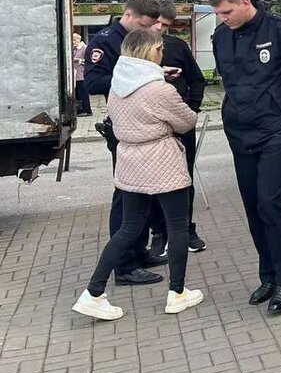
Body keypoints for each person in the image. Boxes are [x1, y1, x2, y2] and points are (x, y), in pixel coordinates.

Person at [72, 28, 203, 320]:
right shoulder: (161, 90)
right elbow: (186, 121)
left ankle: (93, 292)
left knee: (128, 228)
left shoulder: (118, 84)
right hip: (162, 159)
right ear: (150, 53)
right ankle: (177, 292)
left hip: (129, 160)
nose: (161, 52)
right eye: (158, 48)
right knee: (177, 226)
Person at [211, 0, 281, 314]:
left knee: (272, 203)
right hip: (240, 132)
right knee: (253, 205)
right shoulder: (221, 37)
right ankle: (268, 276)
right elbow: (229, 81)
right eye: (219, 14)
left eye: (227, 11)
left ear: (245, 2)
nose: (223, 18)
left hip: (277, 130)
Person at [84, 0, 167, 285]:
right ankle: (124, 266)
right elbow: (92, 82)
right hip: (122, 128)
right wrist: (137, 77)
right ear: (128, 15)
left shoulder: (140, 38)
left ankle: (138, 250)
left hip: (143, 125)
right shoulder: (104, 41)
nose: (147, 31)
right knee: (126, 197)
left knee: (144, 194)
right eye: (144, 24)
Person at [145, 1, 208, 258]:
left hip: (180, 123)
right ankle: (159, 233)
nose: (159, 28)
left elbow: (197, 79)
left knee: (184, 177)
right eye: (156, 22)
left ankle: (186, 228)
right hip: (150, 126)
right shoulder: (134, 48)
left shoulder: (176, 46)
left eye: (166, 25)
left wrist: (191, 108)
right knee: (153, 182)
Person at [72, 33, 92, 116]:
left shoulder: (84, 48)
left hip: (82, 73)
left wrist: (78, 60)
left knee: (83, 93)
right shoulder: (74, 48)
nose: (73, 42)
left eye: (74, 39)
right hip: (75, 74)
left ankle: (87, 110)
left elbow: (89, 60)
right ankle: (80, 110)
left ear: (78, 39)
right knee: (78, 93)